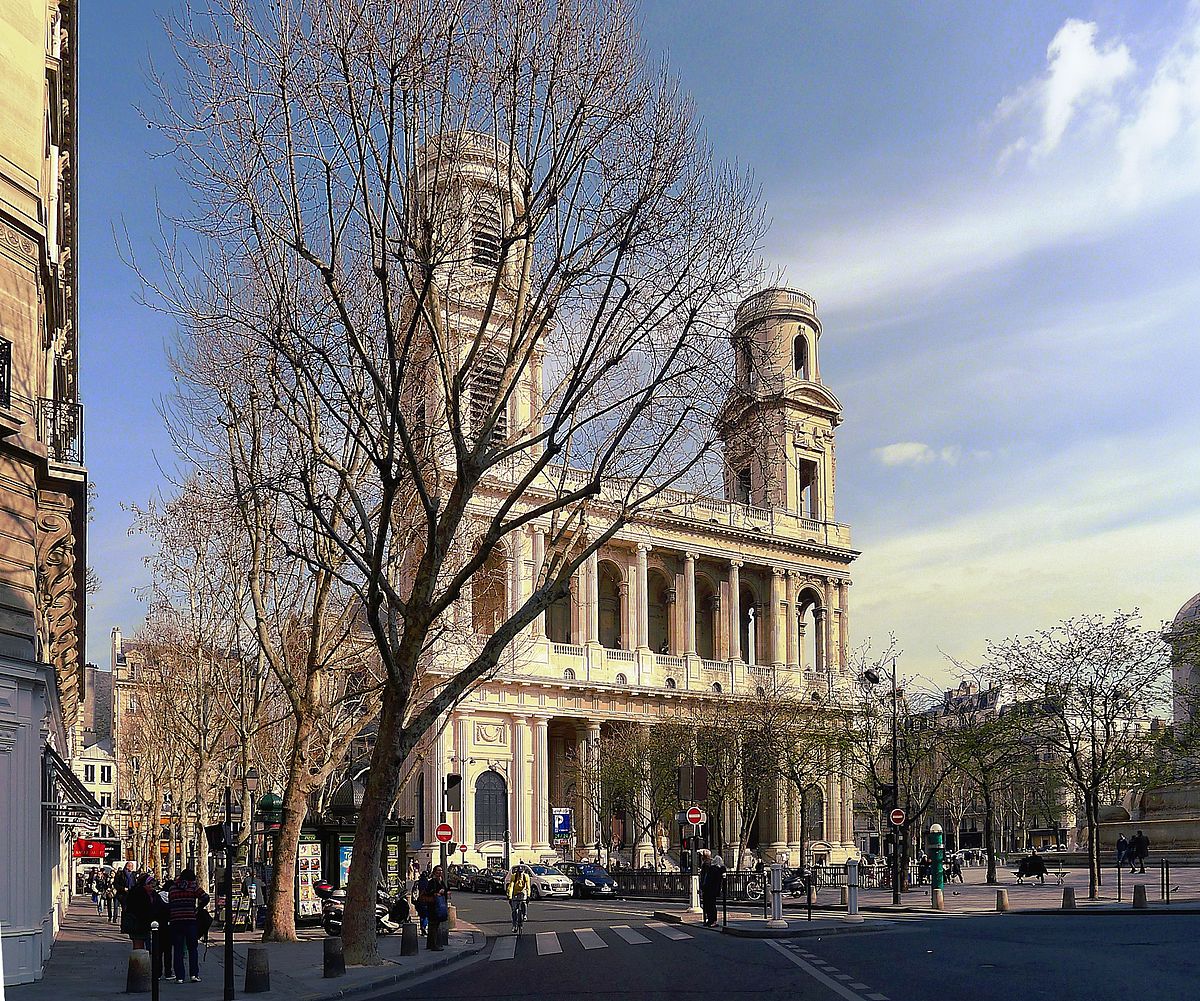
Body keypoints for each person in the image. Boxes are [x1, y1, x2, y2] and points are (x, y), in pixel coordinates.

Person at [168, 866, 203, 983]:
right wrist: (198, 908)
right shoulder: (193, 887)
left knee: (178, 949)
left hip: (176, 921)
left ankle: (179, 977)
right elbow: (205, 897)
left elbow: (170, 902)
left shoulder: (172, 888)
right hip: (190, 920)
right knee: (192, 948)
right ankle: (194, 974)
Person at [424, 865, 448, 952]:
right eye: (438, 870)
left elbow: (446, 890)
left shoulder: (441, 881)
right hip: (433, 906)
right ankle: (433, 945)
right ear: (434, 872)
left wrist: (444, 891)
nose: (440, 872)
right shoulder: (432, 881)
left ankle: (430, 944)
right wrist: (436, 893)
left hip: (438, 905)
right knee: (433, 925)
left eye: (441, 870)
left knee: (434, 925)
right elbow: (428, 892)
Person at [505, 864, 531, 934]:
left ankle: (524, 914)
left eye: (521, 872)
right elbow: (511, 886)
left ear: (523, 872)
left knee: (524, 902)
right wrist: (510, 897)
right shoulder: (514, 876)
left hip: (523, 891)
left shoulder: (526, 876)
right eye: (519, 872)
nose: (520, 874)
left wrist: (528, 896)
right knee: (514, 910)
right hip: (515, 892)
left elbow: (528, 887)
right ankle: (514, 925)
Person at [701, 855, 725, 927]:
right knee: (712, 906)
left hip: (709, 890)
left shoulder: (712, 869)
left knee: (709, 906)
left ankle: (711, 920)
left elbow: (708, 880)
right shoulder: (720, 870)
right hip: (714, 890)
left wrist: (704, 887)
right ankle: (712, 921)